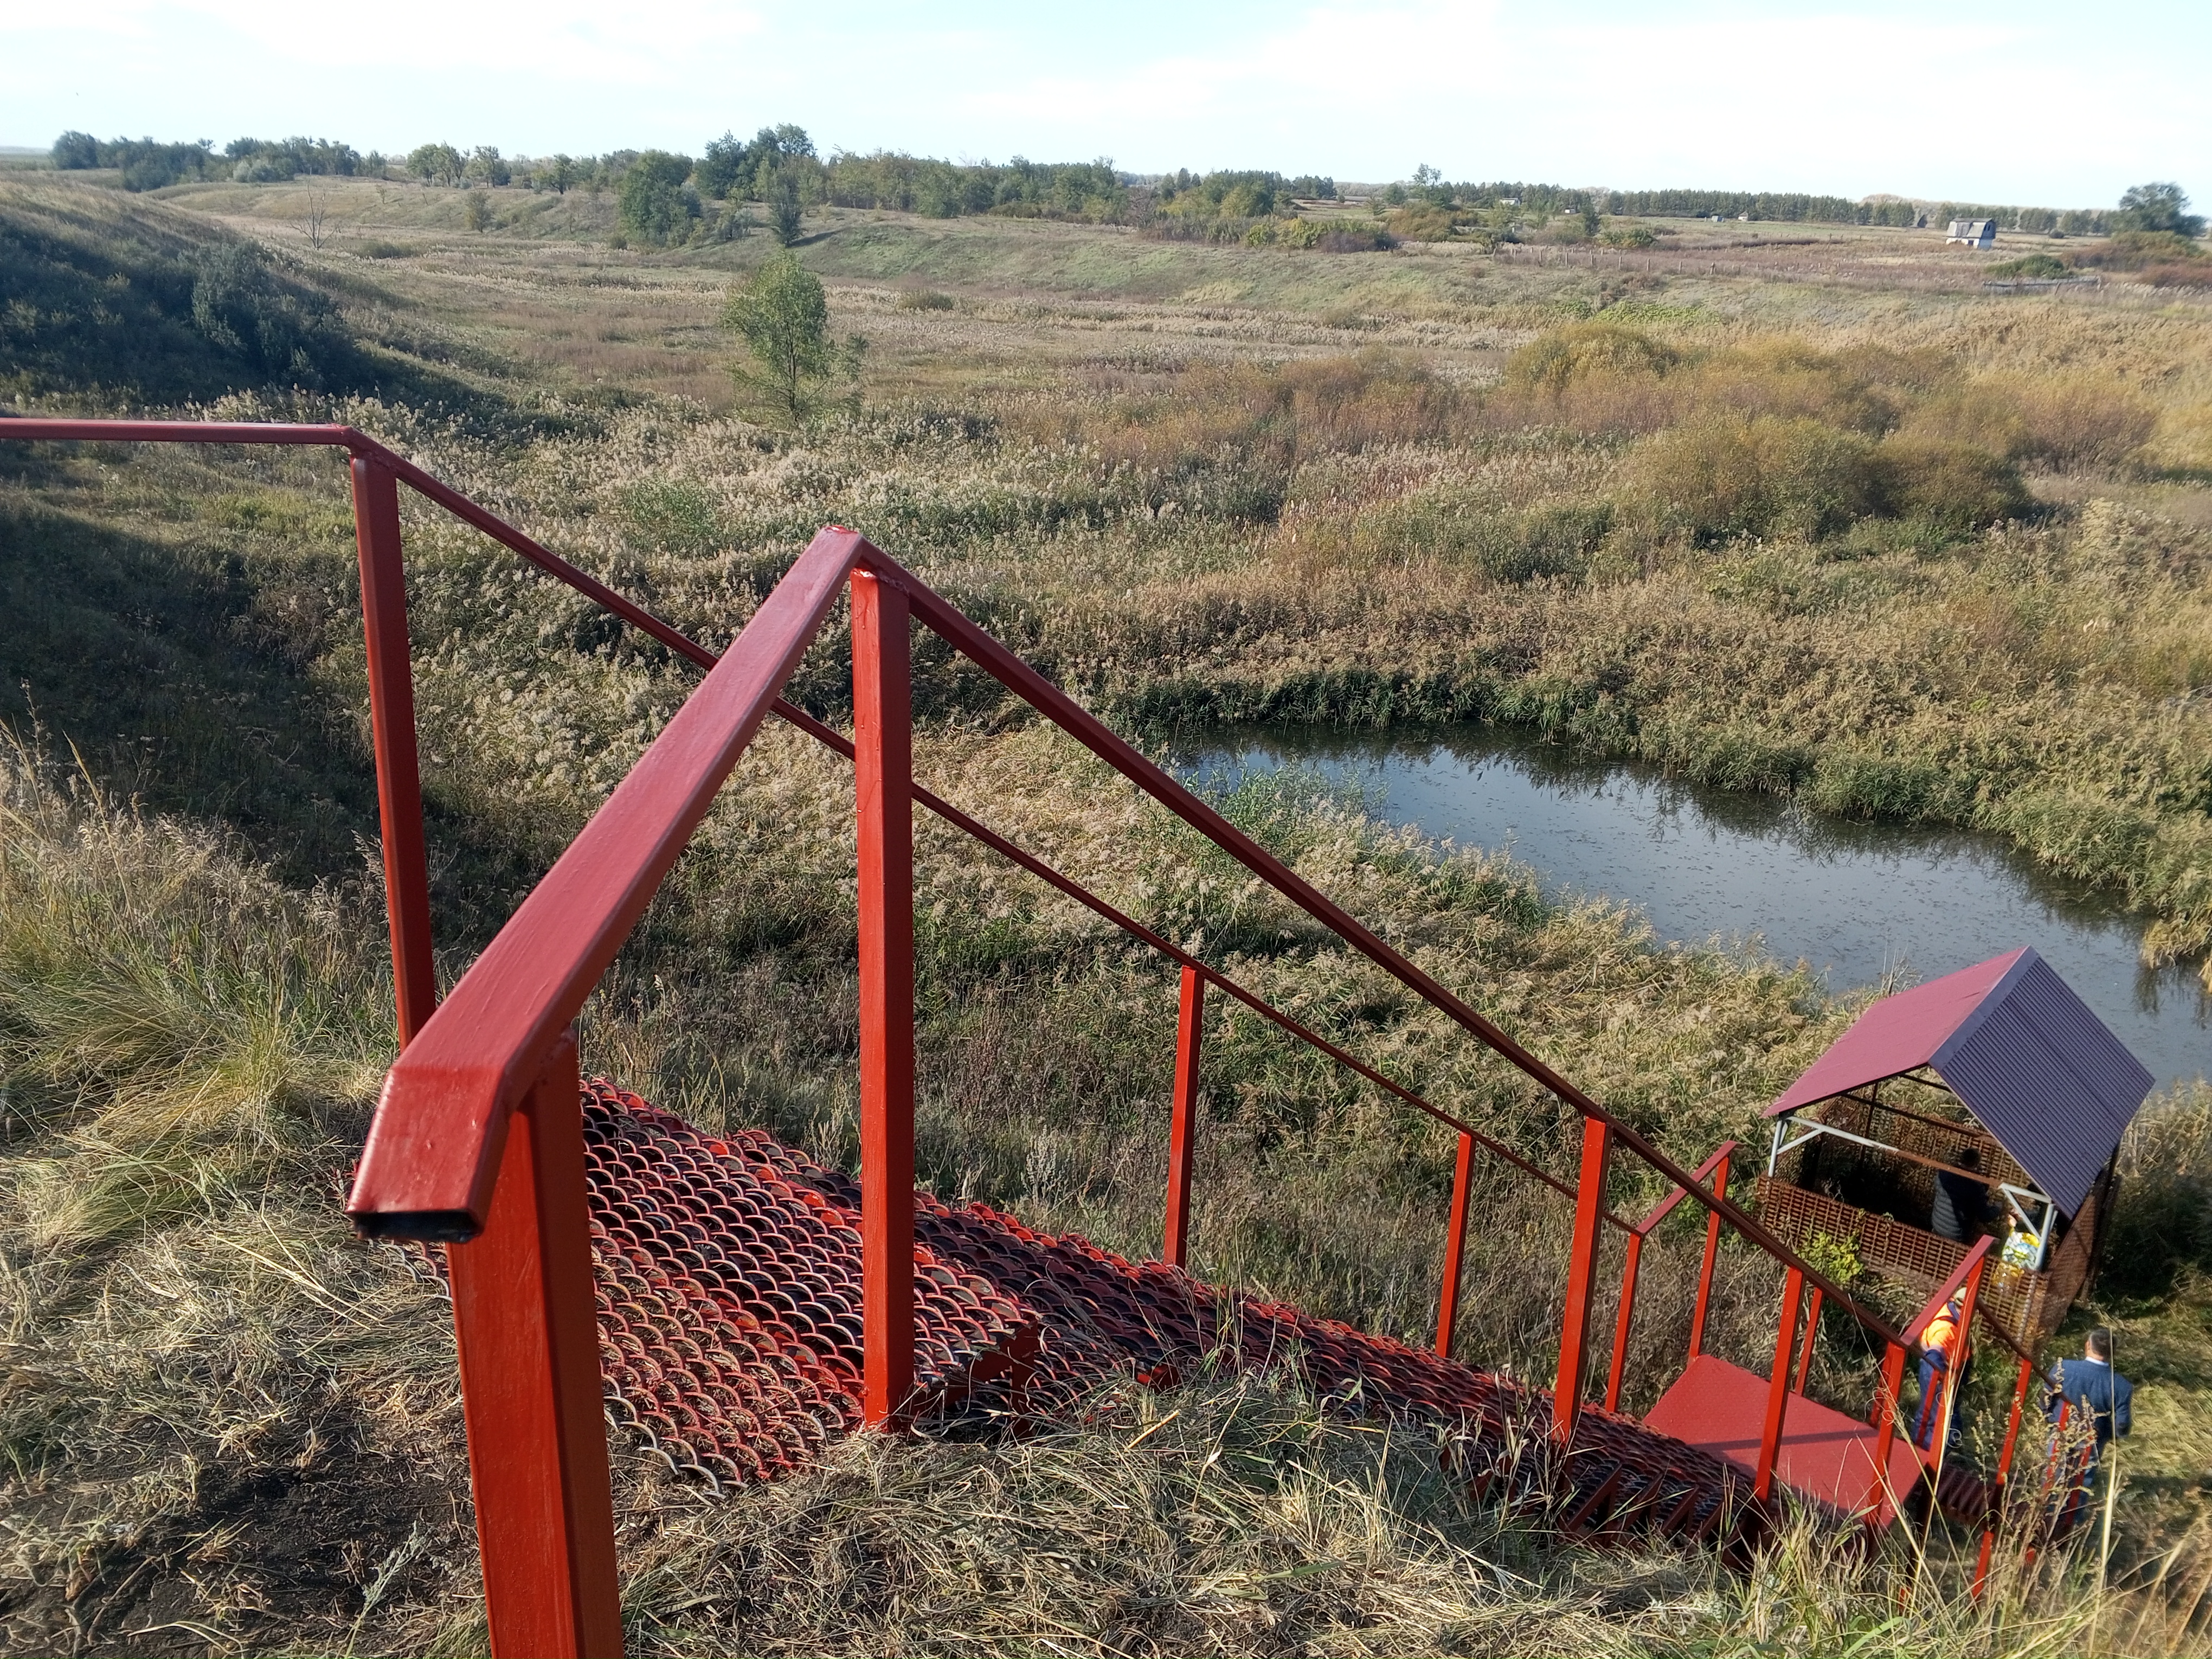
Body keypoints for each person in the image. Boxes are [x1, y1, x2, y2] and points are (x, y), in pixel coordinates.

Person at [2047, 1327, 2133, 1530]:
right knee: (2081, 1480)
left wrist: (2049, 1417)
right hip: (2092, 1440)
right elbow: (2122, 1424)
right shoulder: (2121, 1385)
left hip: (2060, 1430)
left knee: (2053, 1472)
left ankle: (2046, 1514)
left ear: (2088, 1346)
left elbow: (2045, 1398)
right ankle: (2069, 1525)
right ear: (2113, 1353)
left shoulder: (2063, 1368)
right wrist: (2113, 1434)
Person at [1914, 1290, 1966, 1450]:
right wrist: (1942, 1384)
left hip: (1938, 1370)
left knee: (1928, 1415)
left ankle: (1919, 1450)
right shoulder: (1947, 1330)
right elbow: (1936, 1353)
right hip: (1937, 1372)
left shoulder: (1950, 1310)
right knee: (1949, 1426)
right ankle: (1927, 1459)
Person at [1931, 1146, 1989, 1243]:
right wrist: (1998, 1207)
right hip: (1957, 1235)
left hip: (1937, 1225)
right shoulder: (1975, 1187)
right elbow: (1985, 1216)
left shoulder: (1943, 1174)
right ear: (1977, 1164)